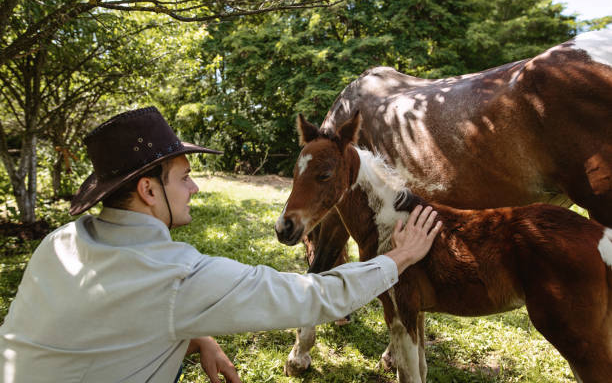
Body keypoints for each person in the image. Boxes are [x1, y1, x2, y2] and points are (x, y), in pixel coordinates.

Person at [0, 107, 441, 382]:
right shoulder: (178, 277)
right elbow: (316, 296)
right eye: (184, 177)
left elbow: (112, 315)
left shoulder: (58, 243)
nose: (193, 189)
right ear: (149, 191)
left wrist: (196, 337)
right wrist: (400, 257)